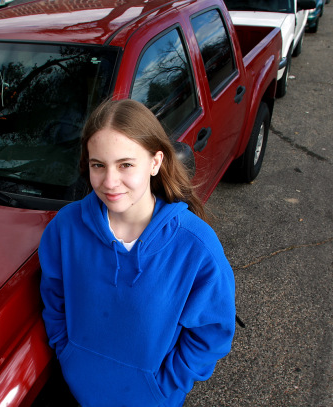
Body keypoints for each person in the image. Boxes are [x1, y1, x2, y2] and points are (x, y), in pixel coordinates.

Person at [39, 99, 236, 407]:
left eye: (125, 164)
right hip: (78, 390)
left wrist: (166, 385)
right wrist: (67, 351)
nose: (110, 181)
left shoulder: (196, 247)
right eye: (98, 165)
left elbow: (213, 331)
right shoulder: (65, 228)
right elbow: (54, 298)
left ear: (155, 162)